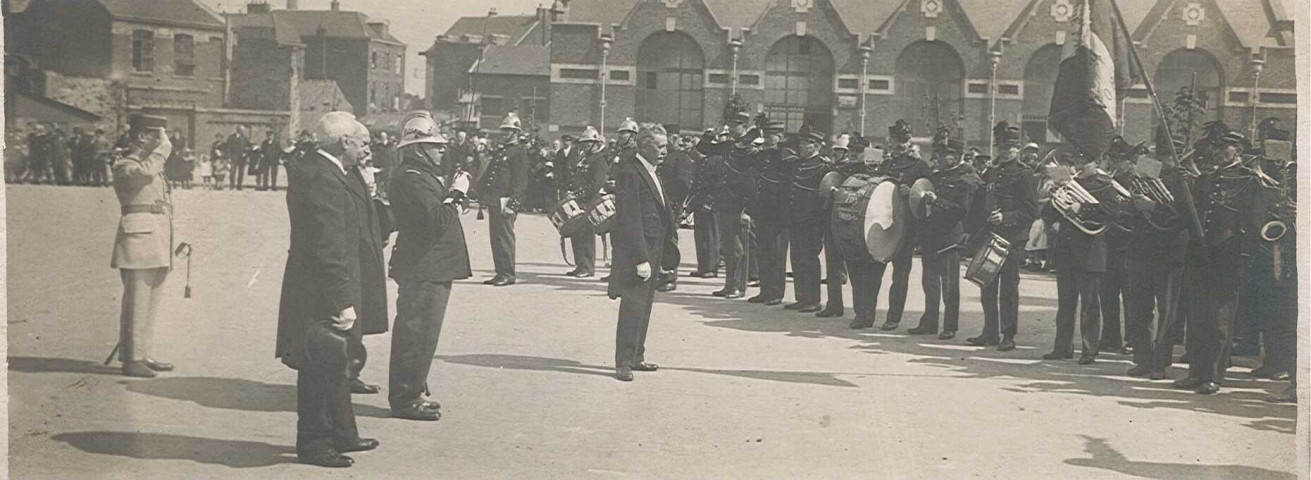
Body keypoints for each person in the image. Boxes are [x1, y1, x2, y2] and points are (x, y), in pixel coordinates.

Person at [276, 111, 385, 467]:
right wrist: (342, 300)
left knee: (336, 363)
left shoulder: (331, 171)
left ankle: (343, 434)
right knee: (319, 366)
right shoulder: (323, 177)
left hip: (325, 283)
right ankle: (315, 442)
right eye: (360, 141)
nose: (364, 148)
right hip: (321, 290)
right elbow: (328, 245)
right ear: (344, 142)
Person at [1173, 128, 1280, 394]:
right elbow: (1190, 214)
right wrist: (1181, 186)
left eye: (1225, 148)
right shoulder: (1207, 178)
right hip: (1200, 254)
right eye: (1217, 148)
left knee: (1220, 319)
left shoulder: (1249, 181)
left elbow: (1254, 223)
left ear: (1238, 152)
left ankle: (1213, 376)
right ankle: (1195, 372)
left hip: (1228, 256)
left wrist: (1243, 256)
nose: (1218, 152)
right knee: (1197, 316)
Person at [387, 112, 471, 421]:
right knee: (417, 332)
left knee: (424, 333)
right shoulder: (411, 178)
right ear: (417, 148)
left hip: (429, 265)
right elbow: (436, 221)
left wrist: (450, 196)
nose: (440, 151)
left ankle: (413, 390)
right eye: (434, 146)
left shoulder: (418, 176)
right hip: (424, 267)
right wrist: (456, 193)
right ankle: (406, 398)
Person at [608, 123, 678, 382]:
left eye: (666, 146)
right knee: (633, 305)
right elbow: (630, 218)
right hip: (638, 250)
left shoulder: (651, 171)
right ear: (645, 146)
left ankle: (637, 355)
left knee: (644, 305)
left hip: (654, 246)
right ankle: (623, 362)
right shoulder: (631, 173)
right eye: (660, 146)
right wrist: (640, 257)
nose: (665, 151)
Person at [110, 114, 176, 378]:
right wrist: (163, 150)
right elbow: (143, 173)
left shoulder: (152, 164)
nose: (162, 140)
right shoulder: (126, 164)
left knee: (150, 301)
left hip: (155, 235)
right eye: (156, 134)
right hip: (138, 237)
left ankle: (141, 353)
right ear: (141, 136)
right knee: (137, 300)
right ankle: (132, 359)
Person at [962, 122, 1038, 351]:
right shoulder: (992, 173)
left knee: (1008, 289)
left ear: (1017, 149)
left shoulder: (1025, 174)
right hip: (990, 235)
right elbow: (978, 205)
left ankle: (1008, 334)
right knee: (987, 284)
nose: (1004, 152)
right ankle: (990, 331)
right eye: (1001, 148)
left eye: (1009, 149)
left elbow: (1030, 211)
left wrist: (1005, 217)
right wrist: (969, 230)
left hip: (1012, 239)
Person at [1040, 151, 1120, 365]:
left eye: (1086, 161)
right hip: (1066, 252)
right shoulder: (1068, 185)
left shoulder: (1105, 186)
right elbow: (1048, 214)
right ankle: (1062, 347)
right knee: (1065, 304)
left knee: (1090, 306)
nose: (1080, 165)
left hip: (1090, 253)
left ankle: (1089, 349)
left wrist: (1082, 207)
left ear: (1096, 163)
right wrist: (1054, 196)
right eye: (1078, 161)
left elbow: (1114, 211)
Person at [1124, 130, 1191, 380]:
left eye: (1168, 154)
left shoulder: (1186, 178)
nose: (1162, 159)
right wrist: (1134, 202)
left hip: (1169, 252)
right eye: (1160, 153)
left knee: (1167, 310)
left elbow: (1186, 217)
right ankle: (1142, 359)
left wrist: (1154, 206)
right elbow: (1132, 212)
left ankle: (1160, 363)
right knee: (1139, 309)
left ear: (1180, 153)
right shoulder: (1145, 173)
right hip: (1140, 248)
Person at [908, 135, 979, 339]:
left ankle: (950, 325)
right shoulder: (934, 179)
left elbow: (960, 212)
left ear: (956, 157)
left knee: (949, 284)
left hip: (948, 237)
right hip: (930, 235)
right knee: (929, 281)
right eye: (936, 154)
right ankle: (929, 322)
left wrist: (937, 201)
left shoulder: (963, 182)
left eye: (943, 154)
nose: (937, 157)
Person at [873, 120, 932, 330]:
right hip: (884, 223)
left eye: (902, 143)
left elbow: (929, 191)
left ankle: (893, 317)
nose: (897, 148)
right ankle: (867, 315)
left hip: (906, 227)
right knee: (875, 271)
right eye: (894, 143)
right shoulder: (886, 164)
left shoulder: (919, 165)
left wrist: (913, 193)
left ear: (909, 143)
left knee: (900, 275)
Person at [697, 112, 757, 299]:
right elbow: (705, 149)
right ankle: (729, 284)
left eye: (735, 125)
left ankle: (738, 286)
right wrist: (709, 135)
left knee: (738, 248)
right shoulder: (730, 146)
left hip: (739, 203)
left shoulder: (751, 150)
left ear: (744, 127)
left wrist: (747, 209)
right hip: (725, 202)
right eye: (729, 125)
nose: (730, 128)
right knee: (729, 246)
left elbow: (751, 182)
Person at [477, 113, 529, 286]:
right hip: (494, 199)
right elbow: (490, 175)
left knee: (504, 237)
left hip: (506, 201)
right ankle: (500, 272)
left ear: (516, 132)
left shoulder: (518, 152)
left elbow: (520, 182)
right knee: (496, 238)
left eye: (508, 130)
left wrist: (513, 204)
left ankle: (508, 273)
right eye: (503, 130)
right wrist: (479, 190)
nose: (504, 133)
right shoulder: (502, 151)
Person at [783, 128, 832, 313]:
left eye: (805, 144)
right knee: (797, 258)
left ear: (816, 146)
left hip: (812, 220)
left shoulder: (823, 166)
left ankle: (813, 299)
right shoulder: (798, 164)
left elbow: (827, 194)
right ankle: (801, 297)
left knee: (809, 258)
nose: (801, 147)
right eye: (801, 143)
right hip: (796, 218)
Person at [749, 118, 791, 306]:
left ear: (780, 137)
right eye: (765, 135)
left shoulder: (785, 156)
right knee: (763, 251)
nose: (766, 139)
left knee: (776, 254)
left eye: (771, 136)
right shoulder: (761, 156)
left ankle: (776, 292)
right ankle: (765, 290)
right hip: (762, 211)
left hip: (778, 214)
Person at [565, 127, 609, 278]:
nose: (584, 145)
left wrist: (578, 194)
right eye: (583, 143)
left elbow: (596, 184)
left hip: (590, 201)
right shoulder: (583, 159)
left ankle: (588, 267)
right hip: (577, 200)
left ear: (595, 143)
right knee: (576, 233)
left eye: (587, 142)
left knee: (586, 235)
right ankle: (580, 264)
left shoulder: (599, 161)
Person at [687, 130, 723, 279]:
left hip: (711, 206)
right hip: (700, 203)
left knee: (711, 237)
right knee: (700, 236)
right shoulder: (703, 161)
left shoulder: (718, 161)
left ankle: (711, 267)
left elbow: (718, 184)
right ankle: (702, 266)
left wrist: (710, 202)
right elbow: (697, 184)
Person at [227, 126, 251, 190]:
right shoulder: (231, 137)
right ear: (238, 130)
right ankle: (232, 185)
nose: (243, 131)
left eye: (243, 130)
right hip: (233, 157)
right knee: (232, 172)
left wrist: (246, 153)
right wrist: (229, 157)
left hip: (242, 158)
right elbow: (228, 147)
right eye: (242, 130)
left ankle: (239, 186)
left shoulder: (244, 138)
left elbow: (249, 146)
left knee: (241, 172)